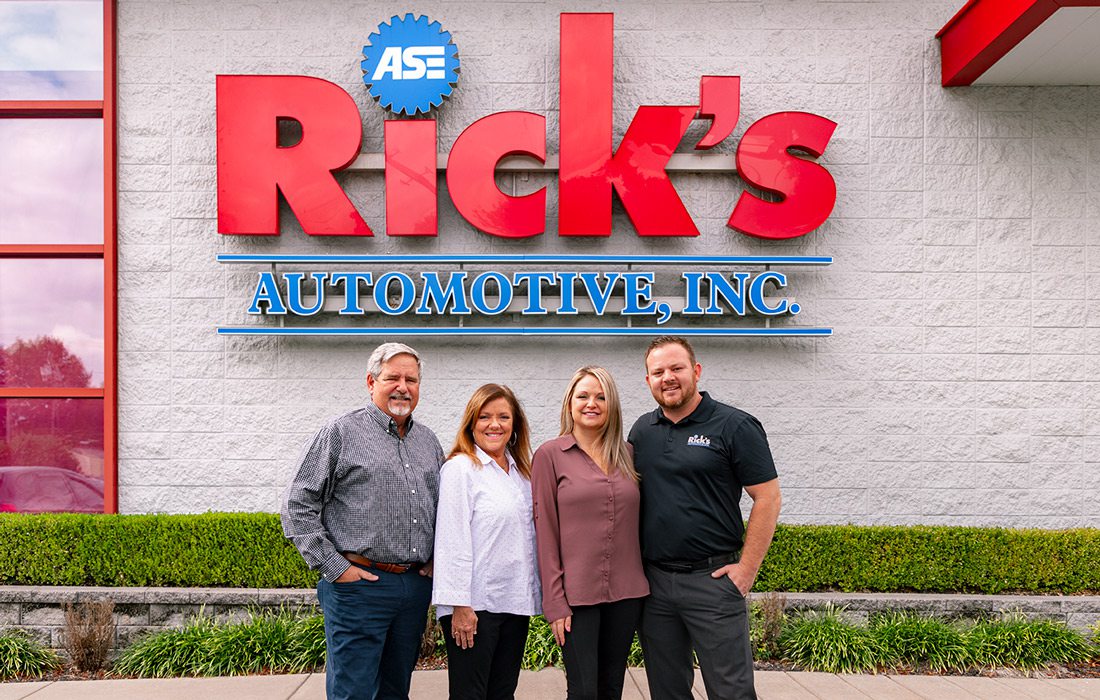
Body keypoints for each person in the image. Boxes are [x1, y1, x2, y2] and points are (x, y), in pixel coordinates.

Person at [281, 342, 444, 700]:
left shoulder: (428, 442)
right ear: (371, 382)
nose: (403, 387)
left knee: (394, 690)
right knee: (353, 691)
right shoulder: (341, 433)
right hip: (358, 586)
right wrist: (335, 567)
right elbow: (297, 505)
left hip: (413, 587)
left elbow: (442, 507)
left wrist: (435, 558)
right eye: (393, 378)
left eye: (411, 380)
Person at [628, 336, 782, 700]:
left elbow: (768, 498)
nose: (668, 377)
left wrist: (746, 572)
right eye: (658, 371)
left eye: (676, 368)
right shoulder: (641, 431)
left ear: (695, 371)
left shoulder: (735, 425)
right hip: (655, 586)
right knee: (667, 691)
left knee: (732, 691)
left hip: (712, 582)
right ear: (647, 380)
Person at [532, 366, 650, 700]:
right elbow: (545, 533)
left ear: (612, 405)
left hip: (627, 594)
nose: (591, 403)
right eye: (583, 395)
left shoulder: (628, 454)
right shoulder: (549, 455)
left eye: (601, 396)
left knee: (611, 687)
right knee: (583, 690)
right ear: (570, 402)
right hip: (575, 597)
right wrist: (554, 602)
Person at [432, 383, 541, 700]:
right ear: (471, 423)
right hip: (475, 606)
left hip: (515, 603)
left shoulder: (523, 474)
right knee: (470, 695)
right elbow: (450, 540)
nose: (495, 424)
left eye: (504, 417)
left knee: (503, 693)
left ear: (515, 424)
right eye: (485, 417)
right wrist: (460, 606)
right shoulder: (460, 469)